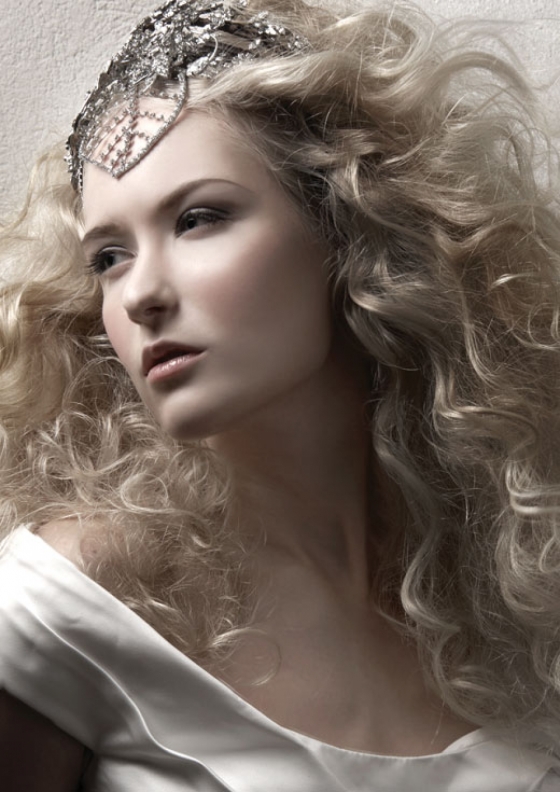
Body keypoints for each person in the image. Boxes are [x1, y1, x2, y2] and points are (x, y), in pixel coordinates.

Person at [0, 0, 560, 788]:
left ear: (346, 226)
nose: (141, 294)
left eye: (197, 219)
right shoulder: (74, 597)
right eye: (109, 258)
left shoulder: (516, 591)